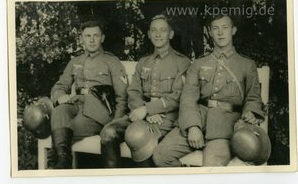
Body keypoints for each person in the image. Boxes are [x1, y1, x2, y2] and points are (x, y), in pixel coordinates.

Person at [152, 14, 265, 167]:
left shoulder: (246, 64)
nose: (220, 33)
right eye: (215, 29)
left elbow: (253, 97)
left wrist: (250, 113)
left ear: (233, 30)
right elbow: (188, 98)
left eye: (225, 28)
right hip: (198, 119)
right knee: (160, 155)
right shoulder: (198, 63)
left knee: (212, 165)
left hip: (226, 129)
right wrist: (192, 127)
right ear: (210, 32)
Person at [100, 14, 191, 168]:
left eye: (163, 30)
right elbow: (133, 91)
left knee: (141, 137)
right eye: (154, 30)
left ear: (171, 34)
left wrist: (148, 109)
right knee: (108, 133)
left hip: (165, 118)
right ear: (149, 34)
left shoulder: (182, 62)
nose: (157, 34)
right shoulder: (144, 62)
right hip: (139, 114)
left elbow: (178, 96)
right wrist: (144, 110)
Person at [49, 20, 128, 169]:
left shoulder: (111, 61)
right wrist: (59, 96)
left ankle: (59, 166)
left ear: (102, 38)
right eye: (87, 36)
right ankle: (63, 162)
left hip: (99, 112)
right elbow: (60, 85)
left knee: (67, 128)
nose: (91, 40)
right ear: (81, 39)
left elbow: (122, 96)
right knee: (59, 111)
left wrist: (115, 123)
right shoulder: (75, 61)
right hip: (76, 104)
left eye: (95, 36)